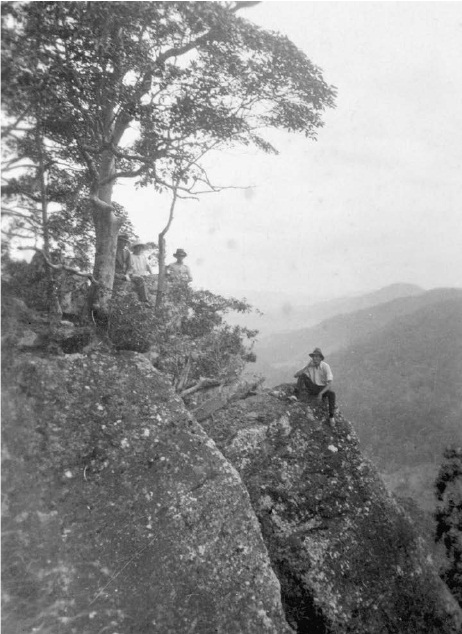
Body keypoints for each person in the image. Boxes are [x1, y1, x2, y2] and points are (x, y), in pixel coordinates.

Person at [294, 347, 337, 425]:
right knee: (302, 376)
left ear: (321, 358)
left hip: (322, 388)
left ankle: (331, 416)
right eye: (314, 356)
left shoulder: (325, 366)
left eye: (317, 357)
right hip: (313, 387)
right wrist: (307, 367)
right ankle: (296, 396)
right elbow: (296, 375)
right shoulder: (310, 365)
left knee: (332, 394)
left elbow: (330, 383)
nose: (315, 358)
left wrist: (321, 394)